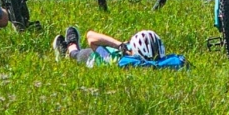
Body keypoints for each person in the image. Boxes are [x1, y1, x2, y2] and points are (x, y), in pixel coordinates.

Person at [51, 26, 186, 69]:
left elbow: (91, 37)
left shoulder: (116, 59)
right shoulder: (164, 63)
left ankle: (69, 47)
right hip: (103, 52)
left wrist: (119, 45)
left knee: (77, 54)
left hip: (94, 58)